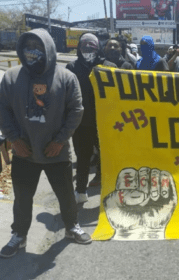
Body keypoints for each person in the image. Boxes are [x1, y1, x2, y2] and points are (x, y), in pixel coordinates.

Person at [0, 28, 91, 258]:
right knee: (22, 198)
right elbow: (3, 110)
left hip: (56, 152)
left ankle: (71, 227)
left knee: (66, 195)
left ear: (49, 48)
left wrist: (60, 140)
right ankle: (19, 235)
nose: (33, 51)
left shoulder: (66, 77)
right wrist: (13, 139)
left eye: (38, 46)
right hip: (24, 152)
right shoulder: (11, 78)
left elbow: (76, 111)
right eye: (28, 46)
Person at [66, 33, 117, 204]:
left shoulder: (109, 67)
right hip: (81, 123)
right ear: (79, 48)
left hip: (106, 122)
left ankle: (109, 190)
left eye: (92, 46)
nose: (88, 50)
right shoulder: (71, 68)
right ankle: (80, 190)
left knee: (108, 157)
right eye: (84, 46)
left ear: (98, 48)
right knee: (83, 158)